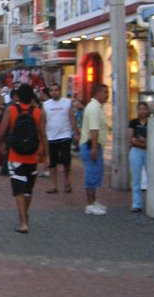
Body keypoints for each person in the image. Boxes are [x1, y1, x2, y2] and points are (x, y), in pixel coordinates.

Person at [0, 83, 46, 234]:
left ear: (17, 96)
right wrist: (45, 154)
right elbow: (43, 135)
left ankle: (23, 222)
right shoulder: (38, 112)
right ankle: (25, 215)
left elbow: (1, 131)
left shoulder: (11, 111)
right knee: (28, 190)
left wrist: (2, 145)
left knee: (18, 190)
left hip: (15, 155)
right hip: (32, 156)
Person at [43, 82, 78, 194]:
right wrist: (43, 135)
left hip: (65, 135)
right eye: (52, 90)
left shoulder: (67, 103)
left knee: (66, 160)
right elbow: (43, 121)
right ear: (49, 92)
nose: (54, 92)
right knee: (52, 162)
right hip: (51, 136)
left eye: (56, 90)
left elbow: (72, 118)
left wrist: (75, 132)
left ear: (60, 90)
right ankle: (54, 185)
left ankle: (67, 181)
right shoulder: (46, 105)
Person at [80, 83, 110, 215]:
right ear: (98, 93)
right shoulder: (94, 108)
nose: (107, 95)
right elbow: (94, 130)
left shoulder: (98, 107)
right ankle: (90, 204)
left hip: (95, 145)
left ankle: (94, 200)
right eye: (105, 92)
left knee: (96, 174)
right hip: (91, 145)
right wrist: (94, 149)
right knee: (91, 175)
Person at [128, 101, 150, 213]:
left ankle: (151, 202)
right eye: (140, 109)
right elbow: (130, 138)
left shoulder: (151, 123)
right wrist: (141, 143)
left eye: (144, 109)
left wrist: (145, 142)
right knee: (136, 178)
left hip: (148, 151)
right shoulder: (133, 123)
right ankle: (136, 203)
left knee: (151, 177)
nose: (142, 111)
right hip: (137, 150)